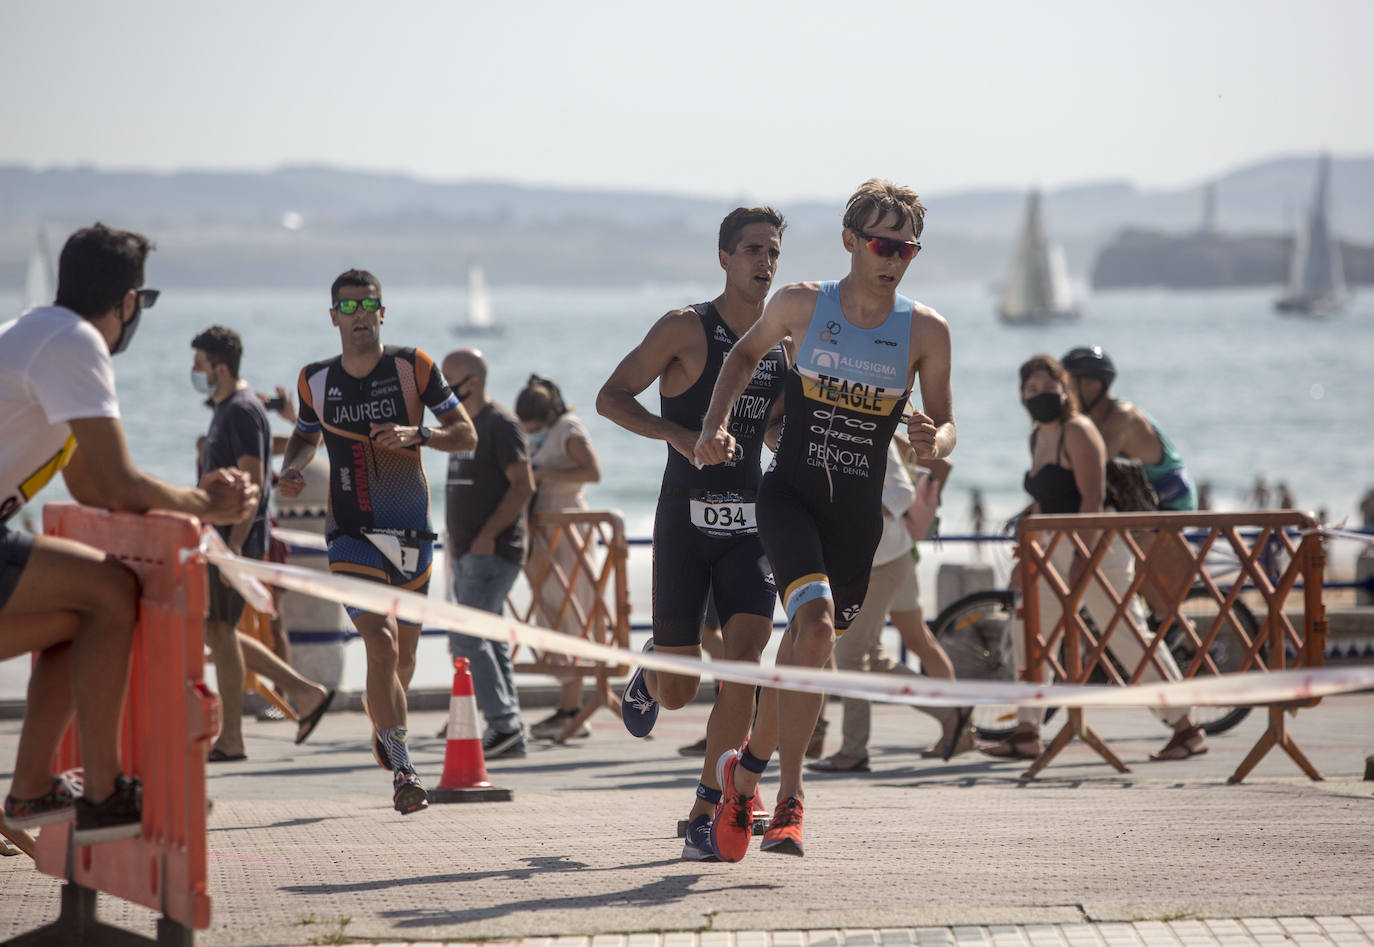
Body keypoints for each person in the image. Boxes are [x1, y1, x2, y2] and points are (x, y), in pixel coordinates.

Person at [695, 180, 956, 861]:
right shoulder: (803, 304)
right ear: (850, 240)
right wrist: (714, 425)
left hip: (855, 519)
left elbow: (946, 419)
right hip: (791, 498)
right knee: (811, 628)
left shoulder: (926, 330)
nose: (893, 257)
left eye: (906, 247)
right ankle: (790, 798)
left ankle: (744, 772)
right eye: (881, 242)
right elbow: (745, 355)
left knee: (810, 650)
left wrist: (937, 442)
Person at [0, 224, 257, 844]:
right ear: (128, 302)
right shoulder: (75, 341)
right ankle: (105, 792)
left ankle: (33, 791)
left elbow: (89, 482)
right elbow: (117, 485)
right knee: (112, 591)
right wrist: (205, 503)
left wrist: (191, 498)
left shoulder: (36, 331)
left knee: (83, 614)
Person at [597, 206, 788, 861]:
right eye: (752, 249)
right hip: (684, 519)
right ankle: (655, 670)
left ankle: (710, 808)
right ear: (725, 258)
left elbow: (774, 424)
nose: (765, 261)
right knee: (683, 689)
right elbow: (612, 396)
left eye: (773, 251)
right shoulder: (684, 327)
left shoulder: (779, 343)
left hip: (751, 528)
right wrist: (679, 436)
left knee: (742, 668)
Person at [279, 269, 475, 814]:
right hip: (351, 536)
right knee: (381, 645)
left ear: (382, 312)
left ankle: (385, 726)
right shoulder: (315, 380)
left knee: (402, 662)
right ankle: (404, 769)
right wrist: (292, 468)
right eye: (349, 305)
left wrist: (422, 435)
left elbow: (467, 434)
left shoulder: (415, 367)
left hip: (412, 533)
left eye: (369, 304)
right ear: (335, 316)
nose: (360, 313)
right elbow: (302, 435)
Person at [978, 354, 1207, 763]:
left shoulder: (1079, 431)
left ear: (1065, 389)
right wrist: (1023, 552)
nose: (1040, 395)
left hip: (1096, 545)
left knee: (1124, 634)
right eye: (1031, 390)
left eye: (1049, 387)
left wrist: (1083, 556)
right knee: (1030, 630)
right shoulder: (1039, 436)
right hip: (1049, 543)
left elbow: (1092, 499)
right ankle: (1028, 730)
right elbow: (1044, 501)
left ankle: (1186, 727)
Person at [191, 326, 334, 760]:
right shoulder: (230, 410)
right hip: (222, 541)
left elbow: (252, 481)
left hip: (235, 541)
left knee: (219, 632)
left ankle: (233, 736)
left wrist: (232, 547)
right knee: (217, 632)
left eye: (198, 366)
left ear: (219, 368)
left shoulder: (240, 410)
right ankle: (304, 694)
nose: (194, 374)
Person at [807, 442, 971, 773]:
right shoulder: (816, 433)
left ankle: (854, 750)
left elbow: (901, 494)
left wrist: (847, 513)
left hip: (883, 561)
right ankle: (953, 716)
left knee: (855, 653)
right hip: (861, 562)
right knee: (872, 656)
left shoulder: (871, 435)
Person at [442, 348, 534, 759]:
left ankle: (503, 725)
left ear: (472, 382)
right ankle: (508, 724)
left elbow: (523, 485)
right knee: (490, 638)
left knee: (467, 635)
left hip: (493, 552)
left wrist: (488, 535)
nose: (441, 392)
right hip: (465, 551)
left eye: (448, 383)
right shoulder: (461, 425)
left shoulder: (500, 424)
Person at [515, 374, 602, 741]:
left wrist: (543, 472)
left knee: (572, 612)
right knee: (550, 612)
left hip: (569, 527)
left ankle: (574, 709)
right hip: (543, 529)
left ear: (549, 414)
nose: (531, 432)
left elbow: (593, 472)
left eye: (535, 426)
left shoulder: (568, 426)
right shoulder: (538, 434)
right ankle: (568, 705)